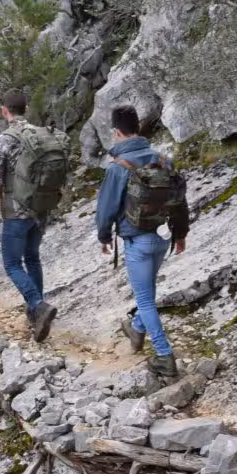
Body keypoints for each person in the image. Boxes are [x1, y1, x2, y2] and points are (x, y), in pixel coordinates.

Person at [95, 105, 190, 381]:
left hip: (137, 240)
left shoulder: (118, 167)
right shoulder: (162, 160)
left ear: (115, 132)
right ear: (138, 128)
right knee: (148, 291)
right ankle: (136, 328)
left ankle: (164, 355)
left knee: (145, 300)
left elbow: (106, 207)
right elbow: (179, 200)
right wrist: (180, 233)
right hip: (162, 238)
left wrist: (103, 236)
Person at [0, 88, 70, 342]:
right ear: (27, 108)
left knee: (12, 263)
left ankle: (38, 305)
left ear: (4, 111)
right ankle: (36, 316)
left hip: (16, 211)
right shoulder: (41, 135)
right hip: (41, 208)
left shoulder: (3, 141)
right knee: (33, 258)